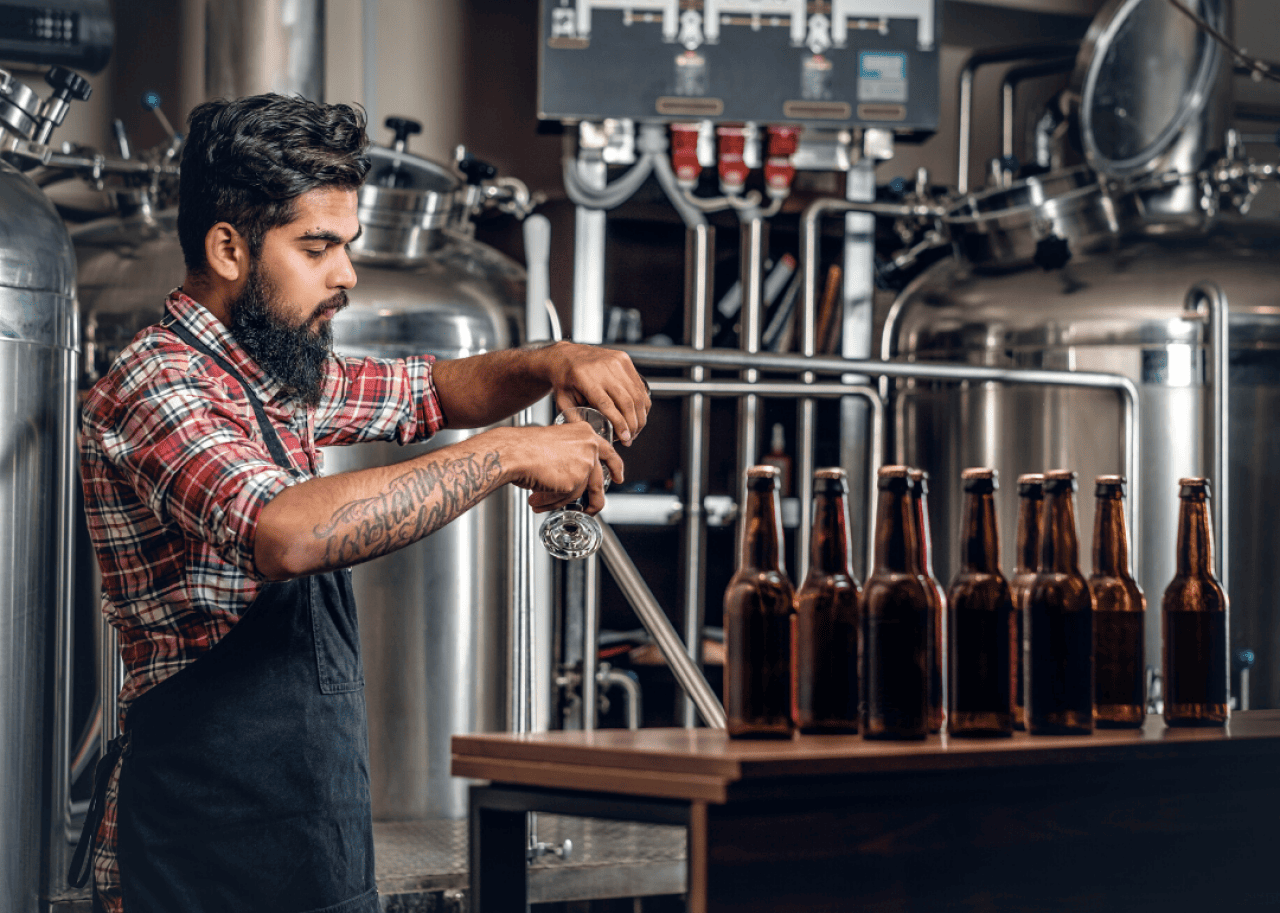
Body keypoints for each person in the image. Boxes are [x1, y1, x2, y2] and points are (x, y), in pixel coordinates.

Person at [71, 93, 649, 913]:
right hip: (196, 855)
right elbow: (286, 533)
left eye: (348, 245)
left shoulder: (274, 376)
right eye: (318, 247)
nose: (346, 274)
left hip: (311, 846)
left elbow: (427, 390)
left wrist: (549, 362)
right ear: (228, 247)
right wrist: (510, 451)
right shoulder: (158, 384)